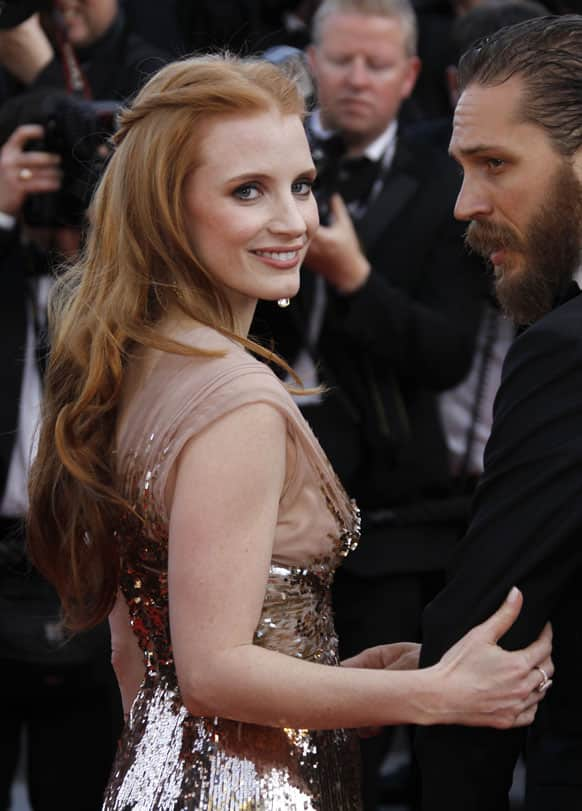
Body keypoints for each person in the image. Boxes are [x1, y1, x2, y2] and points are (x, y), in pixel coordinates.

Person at [26, 55, 552, 811]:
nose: (293, 220)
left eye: (302, 185)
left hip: (158, 772)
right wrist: (436, 694)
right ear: (165, 210)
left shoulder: (136, 364)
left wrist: (351, 680)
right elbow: (213, 672)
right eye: (248, 191)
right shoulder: (235, 397)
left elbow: (137, 653)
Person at [252, 0, 488, 803]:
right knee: (273, 727)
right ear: (310, 63)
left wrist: (354, 278)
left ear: (411, 76)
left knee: (371, 729)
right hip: (262, 491)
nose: (356, 80)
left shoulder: (448, 185)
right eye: (341, 61)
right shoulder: (262, 168)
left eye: (377, 65)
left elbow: (448, 353)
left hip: (390, 509)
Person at [415, 15, 582, 811]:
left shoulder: (567, 350)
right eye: (461, 165)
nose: (464, 203)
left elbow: (491, 621)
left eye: (494, 164)